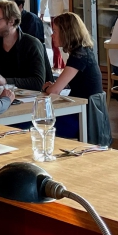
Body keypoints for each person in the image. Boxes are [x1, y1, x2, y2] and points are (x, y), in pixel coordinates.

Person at [42, 12, 109, 142]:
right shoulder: (83, 52)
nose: (52, 35)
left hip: (84, 118)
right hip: (85, 113)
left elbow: (55, 91)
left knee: (34, 121)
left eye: (55, 31)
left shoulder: (78, 56)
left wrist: (47, 88)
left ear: (66, 33)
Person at [0, 0, 52, 91]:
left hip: (30, 99)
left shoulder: (31, 44)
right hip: (2, 98)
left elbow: (38, 82)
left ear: (12, 21)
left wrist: (6, 81)